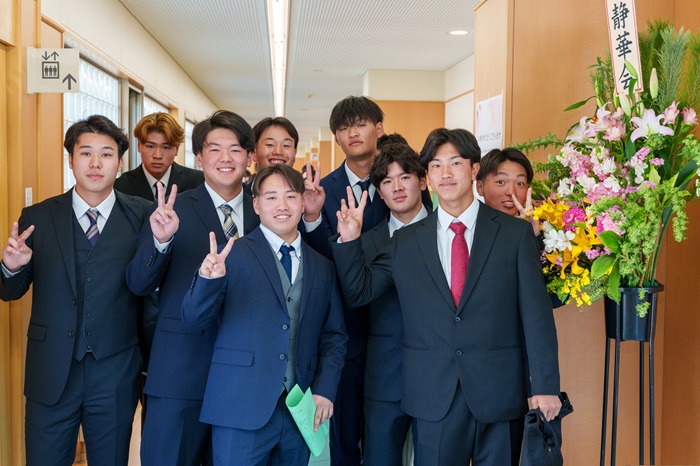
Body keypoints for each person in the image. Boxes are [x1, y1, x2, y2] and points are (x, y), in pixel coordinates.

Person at [331, 128, 562, 465]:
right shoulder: (406, 241)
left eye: (455, 163)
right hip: (433, 396)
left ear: (474, 170)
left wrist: (545, 385)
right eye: (436, 166)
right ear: (428, 177)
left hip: (499, 393)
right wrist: (350, 240)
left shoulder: (514, 234)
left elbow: (536, 316)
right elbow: (359, 291)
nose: (446, 173)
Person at [0, 115, 151, 466]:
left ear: (120, 162)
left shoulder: (144, 216)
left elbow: (151, 284)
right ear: (70, 160)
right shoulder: (37, 217)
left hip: (115, 369)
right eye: (85, 153)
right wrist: (12, 267)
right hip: (51, 369)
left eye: (106, 154)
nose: (95, 163)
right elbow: (10, 292)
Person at [181, 164, 347, 466]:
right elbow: (193, 320)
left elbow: (334, 336)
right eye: (271, 197)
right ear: (256, 205)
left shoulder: (322, 266)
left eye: (290, 196)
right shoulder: (229, 255)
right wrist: (207, 281)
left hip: (299, 409)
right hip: (240, 406)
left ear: (303, 202)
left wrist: (325, 390)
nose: (282, 206)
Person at [126, 110, 260, 466]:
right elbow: (139, 283)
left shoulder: (265, 210)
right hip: (180, 370)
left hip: (246, 374)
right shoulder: (172, 211)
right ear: (199, 157)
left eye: (235, 149)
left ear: (250, 156)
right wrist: (160, 241)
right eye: (214, 149)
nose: (225, 158)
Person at [358, 143, 428, 466]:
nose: (397, 187)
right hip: (384, 377)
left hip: (440, 378)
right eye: (387, 181)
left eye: (405, 177)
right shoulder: (365, 241)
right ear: (380, 193)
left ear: (422, 181)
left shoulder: (450, 232)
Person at [114, 112, 204, 200]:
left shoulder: (198, 182)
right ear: (139, 147)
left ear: (177, 149)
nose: (157, 156)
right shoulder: (120, 186)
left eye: (166, 147)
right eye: (150, 146)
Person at [244, 116, 299, 194]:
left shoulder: (304, 196)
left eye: (286, 145)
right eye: (270, 144)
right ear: (254, 152)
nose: (278, 151)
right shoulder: (239, 199)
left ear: (295, 153)